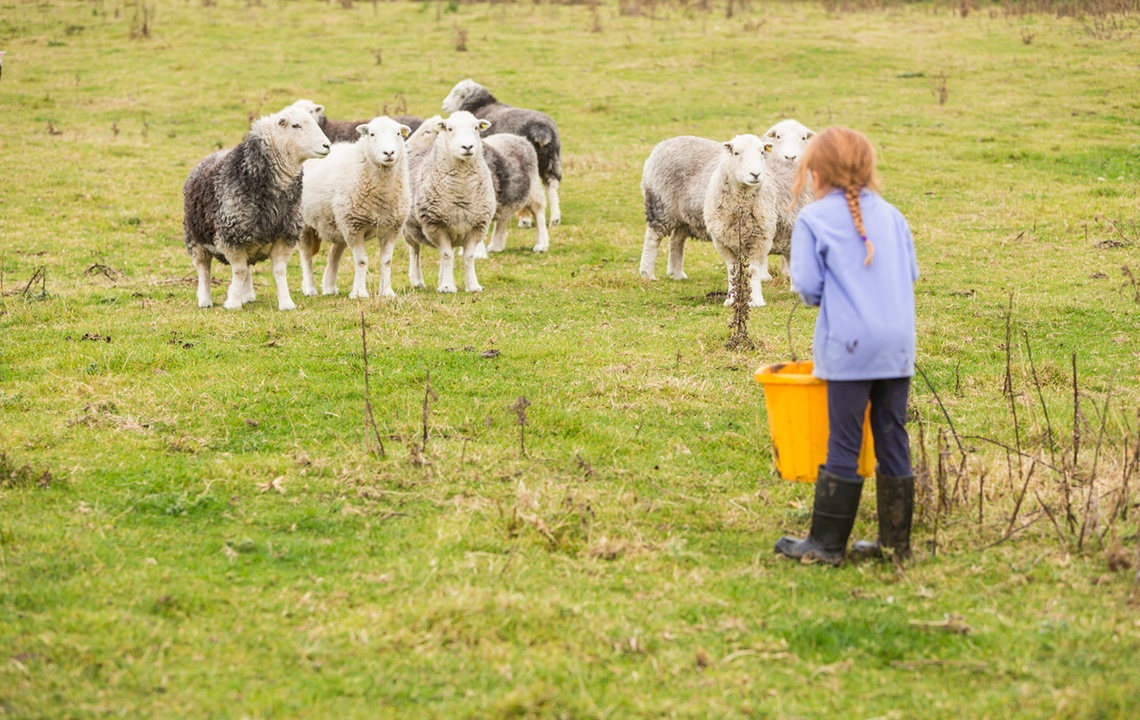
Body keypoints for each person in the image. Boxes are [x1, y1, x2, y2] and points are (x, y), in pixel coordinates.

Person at [774, 127, 919, 566]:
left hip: (849, 348)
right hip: (897, 348)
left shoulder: (813, 220)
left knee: (844, 439)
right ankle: (896, 546)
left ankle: (826, 544)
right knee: (893, 436)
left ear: (814, 173)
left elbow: (809, 289)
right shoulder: (892, 215)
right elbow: (909, 274)